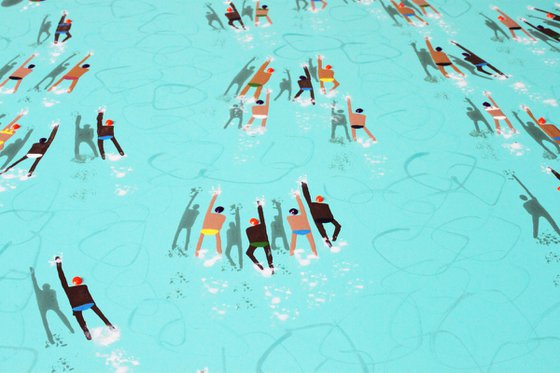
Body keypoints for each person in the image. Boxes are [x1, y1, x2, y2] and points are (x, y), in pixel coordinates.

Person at [54, 257, 115, 341]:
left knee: (79, 317)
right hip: (89, 303)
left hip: (77, 306)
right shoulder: (84, 286)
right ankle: (109, 325)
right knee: (98, 311)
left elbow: (62, 278)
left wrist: (59, 265)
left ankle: (85, 329)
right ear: (80, 282)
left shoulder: (67, 289)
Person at [30, 267, 74, 344]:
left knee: (59, 316)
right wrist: (32, 274)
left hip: (49, 307)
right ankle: (51, 339)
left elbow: (55, 301)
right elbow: (34, 283)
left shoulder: (51, 292)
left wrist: (56, 307)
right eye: (45, 287)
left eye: (47, 287)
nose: (46, 288)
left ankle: (70, 329)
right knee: (46, 322)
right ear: (44, 288)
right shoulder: (42, 292)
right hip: (44, 308)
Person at [301, 181, 341, 247]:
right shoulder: (320, 207)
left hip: (320, 216)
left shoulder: (313, 207)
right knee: (322, 230)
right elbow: (338, 226)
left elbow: (323, 232)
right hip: (325, 216)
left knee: (322, 230)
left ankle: (329, 243)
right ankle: (329, 242)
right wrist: (334, 236)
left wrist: (304, 186)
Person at [246, 199, 274, 273]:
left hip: (254, 243)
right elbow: (261, 215)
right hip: (264, 243)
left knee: (248, 253)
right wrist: (259, 206)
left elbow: (250, 239)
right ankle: (271, 266)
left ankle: (258, 264)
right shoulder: (262, 225)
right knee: (268, 253)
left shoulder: (248, 229)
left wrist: (252, 243)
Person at [195, 190, 226, 257]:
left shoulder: (208, 213)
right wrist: (218, 229)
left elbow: (211, 204)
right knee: (218, 239)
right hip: (215, 230)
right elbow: (221, 225)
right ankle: (219, 251)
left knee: (200, 240)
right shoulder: (223, 217)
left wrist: (215, 196)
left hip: (205, 229)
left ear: (215, 210)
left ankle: (197, 252)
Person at [287, 191, 317, 256]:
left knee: (293, 241)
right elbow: (301, 207)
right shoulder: (303, 215)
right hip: (306, 230)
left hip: (296, 231)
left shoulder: (289, 218)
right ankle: (314, 252)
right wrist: (297, 197)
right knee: (311, 241)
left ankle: (291, 252)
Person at [172, 188, 201, 255]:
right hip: (189, 225)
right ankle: (186, 247)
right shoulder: (197, 212)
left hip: (183, 224)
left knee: (178, 234)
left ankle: (175, 244)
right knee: (187, 236)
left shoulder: (190, 211)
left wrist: (194, 196)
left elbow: (188, 206)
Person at [225, 204, 244, 269]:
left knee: (240, 253)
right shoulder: (228, 231)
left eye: (232, 225)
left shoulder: (237, 228)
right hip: (230, 242)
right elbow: (228, 239)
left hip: (237, 241)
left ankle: (241, 265)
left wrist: (237, 211)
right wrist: (229, 244)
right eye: (231, 225)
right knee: (226, 253)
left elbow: (237, 219)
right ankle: (232, 262)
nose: (231, 226)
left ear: (234, 225)